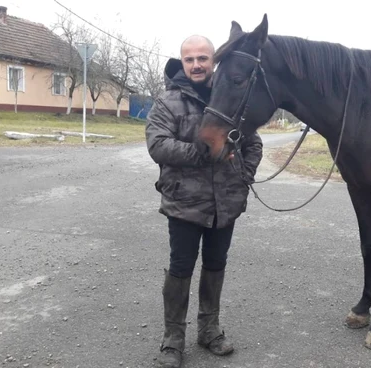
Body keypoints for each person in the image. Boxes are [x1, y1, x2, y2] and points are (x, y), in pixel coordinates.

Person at [145, 35, 263, 368]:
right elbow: (158, 145)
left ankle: (209, 330)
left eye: (203, 58)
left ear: (214, 61)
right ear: (182, 63)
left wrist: (244, 175)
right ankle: (173, 340)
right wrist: (204, 153)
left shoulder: (231, 97)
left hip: (225, 203)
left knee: (216, 264)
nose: (197, 64)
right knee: (181, 267)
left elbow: (253, 144)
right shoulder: (168, 102)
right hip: (184, 202)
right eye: (190, 59)